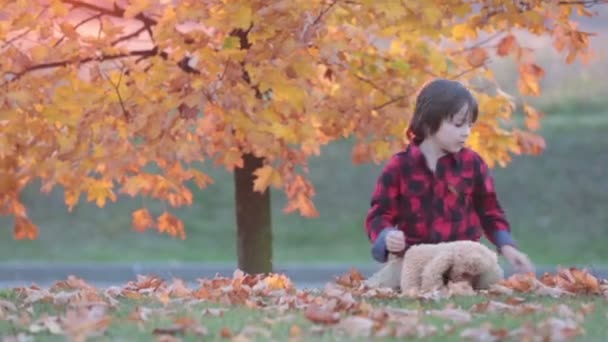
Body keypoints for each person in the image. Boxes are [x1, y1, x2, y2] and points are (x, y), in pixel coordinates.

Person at [364, 78, 535, 288]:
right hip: (415, 259)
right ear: (428, 124)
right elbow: (380, 214)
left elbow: (490, 211)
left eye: (469, 125)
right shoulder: (400, 166)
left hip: (464, 257)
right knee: (381, 286)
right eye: (458, 124)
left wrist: (506, 245)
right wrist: (387, 236)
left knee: (492, 279)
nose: (466, 132)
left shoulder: (473, 164)